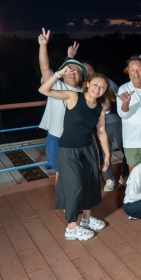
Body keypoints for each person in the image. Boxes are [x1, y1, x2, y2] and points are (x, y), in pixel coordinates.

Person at [38, 65, 113, 240]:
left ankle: (86, 219)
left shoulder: (100, 106)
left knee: (90, 183)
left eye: (102, 87)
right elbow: (43, 90)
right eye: (95, 85)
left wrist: (107, 154)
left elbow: (101, 131)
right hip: (68, 149)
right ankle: (71, 227)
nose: (98, 89)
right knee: (75, 187)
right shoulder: (73, 96)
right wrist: (58, 74)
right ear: (88, 84)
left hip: (88, 148)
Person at [37, 29, 85, 175]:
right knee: (60, 172)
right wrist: (43, 46)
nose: (72, 73)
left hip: (76, 138)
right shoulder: (55, 85)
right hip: (56, 136)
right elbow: (44, 68)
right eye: (68, 71)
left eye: (76, 72)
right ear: (62, 75)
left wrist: (70, 58)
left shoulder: (85, 93)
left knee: (75, 171)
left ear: (81, 77)